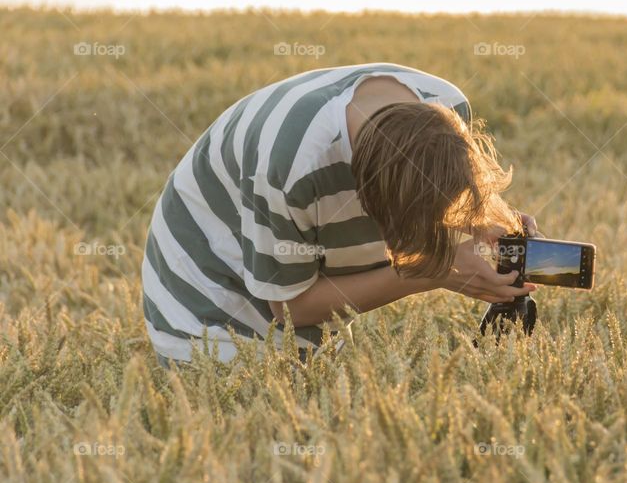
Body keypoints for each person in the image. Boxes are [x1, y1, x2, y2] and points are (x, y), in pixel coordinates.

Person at [142, 63, 538, 365]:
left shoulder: (447, 108)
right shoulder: (290, 166)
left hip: (295, 282)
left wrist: (483, 215)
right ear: (359, 193)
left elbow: (423, 175)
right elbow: (293, 311)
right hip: (207, 293)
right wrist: (434, 271)